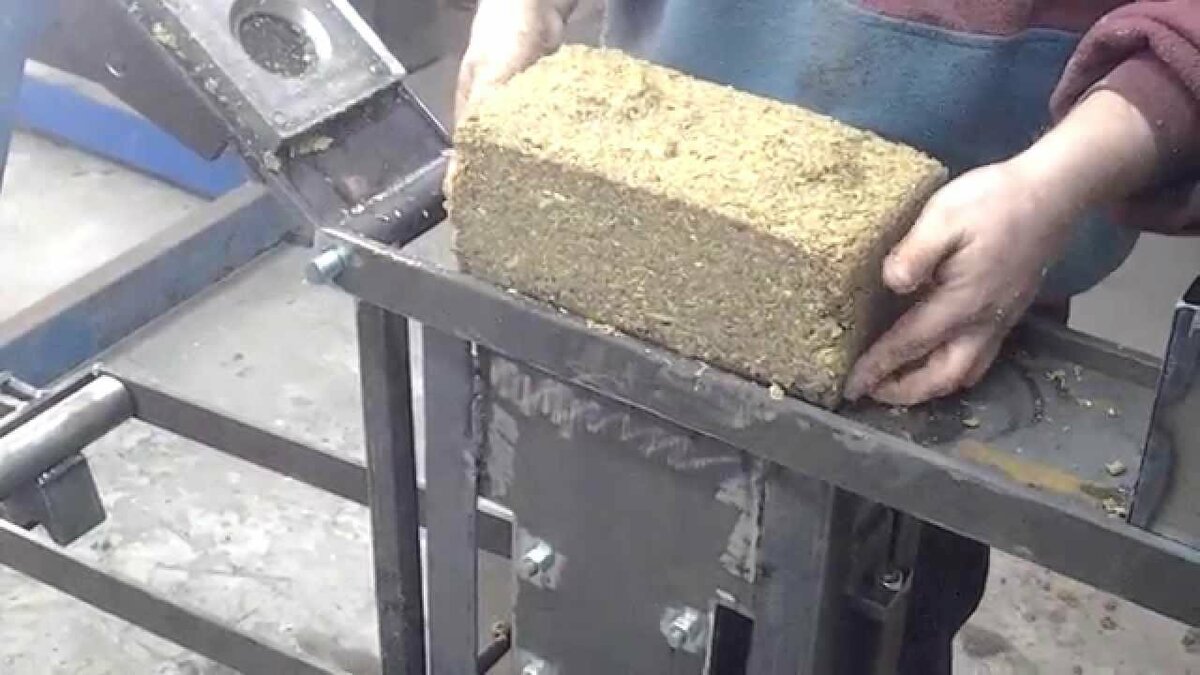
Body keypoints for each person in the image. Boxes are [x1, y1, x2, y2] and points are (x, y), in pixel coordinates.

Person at [451, 1, 1200, 672]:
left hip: (947, 296)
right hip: (628, 249)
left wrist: (1053, 183)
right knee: (599, 576)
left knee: (864, 624)